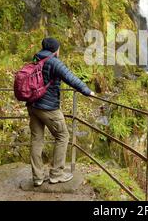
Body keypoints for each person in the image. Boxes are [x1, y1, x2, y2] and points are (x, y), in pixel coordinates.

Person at [27, 38, 95, 187]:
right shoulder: (54, 62)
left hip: (33, 105)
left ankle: (37, 177)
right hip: (48, 108)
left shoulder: (36, 58)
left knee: (36, 139)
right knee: (63, 136)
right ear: (55, 49)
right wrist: (87, 91)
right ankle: (57, 174)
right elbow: (70, 78)